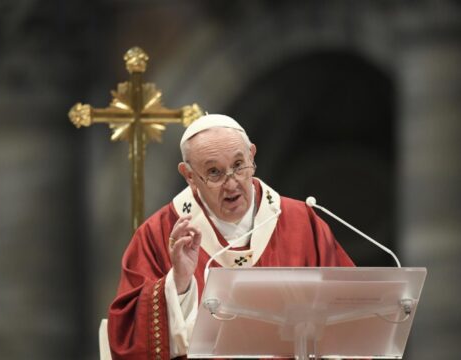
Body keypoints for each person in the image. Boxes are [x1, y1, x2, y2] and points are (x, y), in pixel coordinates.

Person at [107, 114, 354, 360]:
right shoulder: (160, 234)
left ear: (252, 156)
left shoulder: (302, 222)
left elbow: (351, 311)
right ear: (189, 176)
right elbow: (127, 336)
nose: (231, 183)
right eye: (214, 172)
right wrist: (178, 283)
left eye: (238, 166)